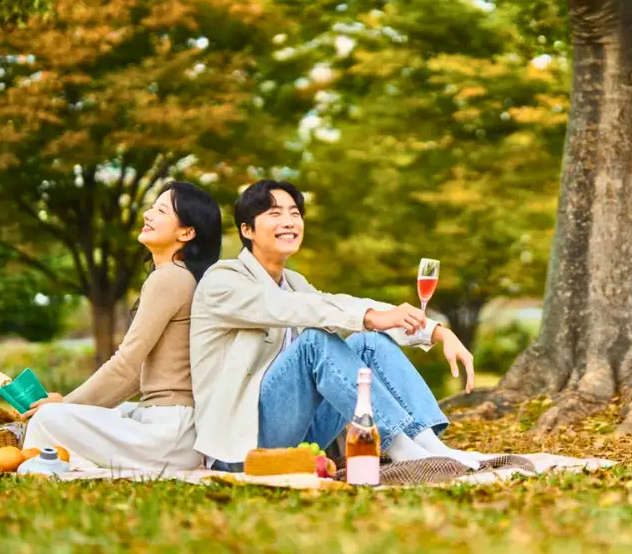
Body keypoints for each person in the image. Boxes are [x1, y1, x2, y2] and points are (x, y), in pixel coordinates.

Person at [190, 179, 486, 472]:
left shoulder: (293, 283)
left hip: (298, 435)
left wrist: (436, 331)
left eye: (295, 213)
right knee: (314, 343)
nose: (289, 221)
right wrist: (370, 315)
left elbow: (334, 304)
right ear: (247, 229)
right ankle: (400, 447)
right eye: (275, 213)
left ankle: (431, 447)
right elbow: (299, 309)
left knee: (370, 342)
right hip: (241, 446)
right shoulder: (222, 280)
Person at [22, 181, 222, 471]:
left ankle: (57, 462)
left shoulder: (171, 278)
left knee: (48, 418)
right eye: (152, 207)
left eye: (162, 210)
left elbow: (125, 364)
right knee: (77, 415)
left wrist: (64, 404)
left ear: (187, 232)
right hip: (170, 428)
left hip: (169, 433)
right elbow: (136, 375)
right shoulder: (178, 277)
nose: (148, 214)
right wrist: (71, 406)